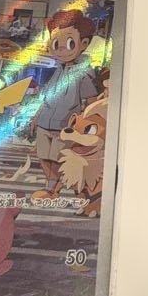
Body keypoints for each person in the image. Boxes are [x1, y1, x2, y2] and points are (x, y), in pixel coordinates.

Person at [31, 10, 99, 192]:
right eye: (55, 43)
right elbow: (48, 97)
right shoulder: (58, 70)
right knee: (42, 155)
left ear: (83, 44)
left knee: (57, 157)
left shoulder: (83, 74)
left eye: (69, 43)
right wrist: (37, 116)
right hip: (45, 121)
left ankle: (53, 187)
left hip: (65, 124)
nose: (61, 49)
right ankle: (52, 184)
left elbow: (91, 101)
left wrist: (84, 124)